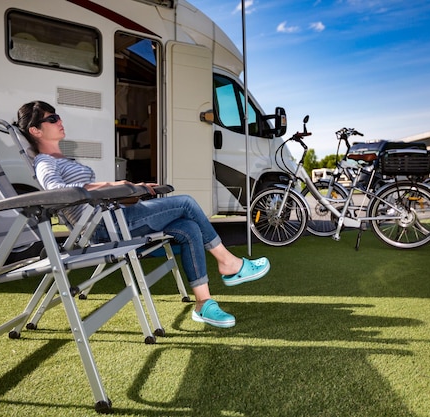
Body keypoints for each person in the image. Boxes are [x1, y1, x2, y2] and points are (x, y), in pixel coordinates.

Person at [16, 100, 270, 328]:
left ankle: (203, 304)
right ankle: (229, 263)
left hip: (114, 218)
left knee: (188, 228)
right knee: (185, 203)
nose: (59, 121)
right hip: (103, 228)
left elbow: (87, 191)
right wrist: (110, 186)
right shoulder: (44, 162)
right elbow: (57, 192)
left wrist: (128, 187)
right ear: (35, 131)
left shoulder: (63, 159)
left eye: (57, 116)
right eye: (51, 119)